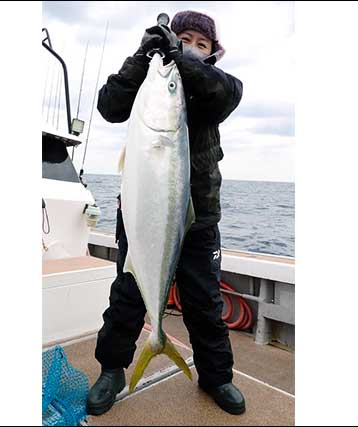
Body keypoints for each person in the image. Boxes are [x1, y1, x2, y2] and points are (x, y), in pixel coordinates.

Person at [87, 10, 245, 416]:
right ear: (170, 40)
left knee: (204, 302)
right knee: (127, 294)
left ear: (212, 53)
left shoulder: (218, 85)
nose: (192, 47)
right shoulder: (152, 78)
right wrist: (142, 57)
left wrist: (182, 61)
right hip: (142, 213)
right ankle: (112, 369)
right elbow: (109, 106)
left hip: (200, 217)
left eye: (202, 44)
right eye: (185, 38)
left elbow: (222, 94)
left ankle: (216, 377)